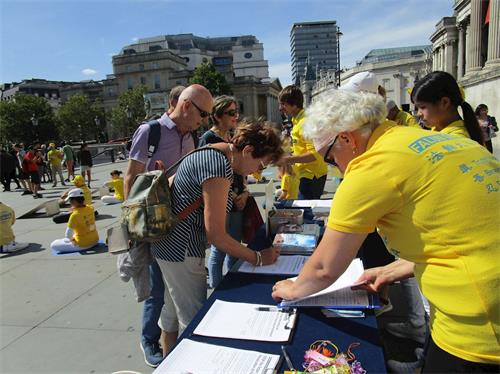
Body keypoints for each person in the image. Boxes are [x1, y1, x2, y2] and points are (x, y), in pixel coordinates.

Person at [271, 89, 500, 373]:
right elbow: (459, 235)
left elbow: (324, 269)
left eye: (330, 159)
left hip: (481, 325)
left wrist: (293, 288)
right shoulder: (435, 139)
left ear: (346, 138)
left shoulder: (371, 166)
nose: (334, 168)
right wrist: (390, 271)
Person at [153, 119, 282, 357]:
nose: (257, 172)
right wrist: (257, 257)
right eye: (260, 164)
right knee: (195, 322)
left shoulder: (211, 152)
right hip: (183, 250)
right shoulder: (219, 167)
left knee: (171, 312)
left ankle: (166, 360)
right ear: (248, 150)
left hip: (167, 246)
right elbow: (217, 236)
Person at [124, 84, 213, 368]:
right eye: (203, 114)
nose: (205, 121)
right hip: (152, 222)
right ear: (186, 106)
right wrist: (132, 225)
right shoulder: (150, 131)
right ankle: (149, 340)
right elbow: (131, 177)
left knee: (170, 292)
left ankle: (168, 353)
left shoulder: (192, 136)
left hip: (180, 225)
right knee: (157, 289)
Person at [198, 95, 247, 288]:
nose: (236, 116)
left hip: (237, 200)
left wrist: (245, 192)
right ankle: (219, 290)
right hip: (221, 201)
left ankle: (232, 285)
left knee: (234, 247)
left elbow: (240, 169)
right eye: (231, 113)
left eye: (236, 111)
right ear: (217, 116)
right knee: (219, 250)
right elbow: (205, 174)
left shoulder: (232, 137)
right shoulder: (209, 139)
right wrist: (232, 196)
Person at [278, 85, 328, 199]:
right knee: (303, 211)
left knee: (305, 212)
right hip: (306, 174)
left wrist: (288, 159)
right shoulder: (298, 121)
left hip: (313, 175)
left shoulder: (305, 122)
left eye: (283, 104)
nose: (280, 108)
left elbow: (315, 154)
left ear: (294, 104)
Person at [412, 71, 483, 144]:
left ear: (445, 102)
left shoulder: (457, 140)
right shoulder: (438, 128)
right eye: (417, 108)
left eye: (422, 107)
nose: (418, 114)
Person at [50, 188, 99, 253]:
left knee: (54, 244)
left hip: (83, 244)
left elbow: (68, 235)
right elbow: (83, 208)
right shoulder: (90, 208)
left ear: (74, 201)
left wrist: (73, 242)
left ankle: (75, 243)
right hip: (95, 240)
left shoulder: (75, 215)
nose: (70, 203)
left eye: (70, 201)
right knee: (70, 237)